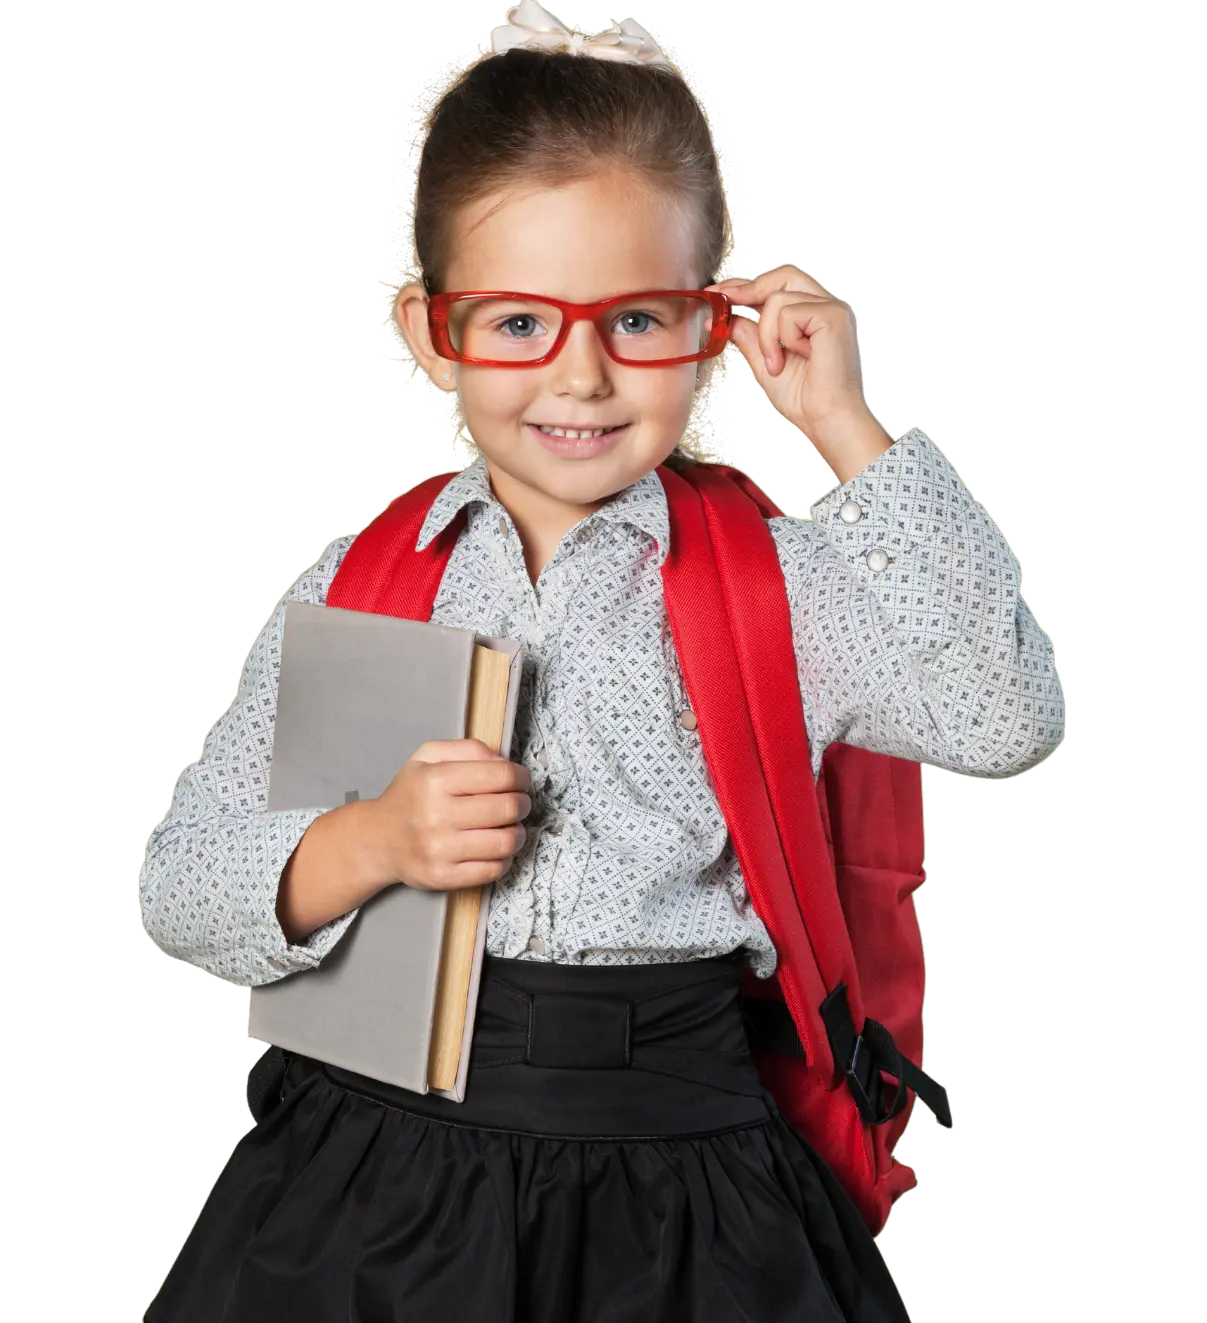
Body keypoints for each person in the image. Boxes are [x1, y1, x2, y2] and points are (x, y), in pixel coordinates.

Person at [138, 7, 1064, 1320]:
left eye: (634, 317)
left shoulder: (781, 577)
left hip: (685, 1182)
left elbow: (1008, 718)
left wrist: (849, 433)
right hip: (372, 1177)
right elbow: (175, 885)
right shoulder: (358, 573)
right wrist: (368, 843)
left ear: (711, 317)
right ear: (426, 325)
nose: (578, 375)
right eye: (517, 321)